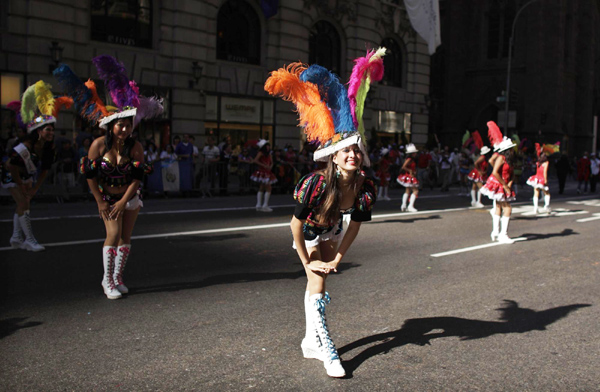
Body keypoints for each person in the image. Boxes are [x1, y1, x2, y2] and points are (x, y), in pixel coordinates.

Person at [265, 47, 384, 378]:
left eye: (356, 150)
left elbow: (355, 226)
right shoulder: (316, 185)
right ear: (333, 156)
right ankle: (327, 351)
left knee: (320, 285)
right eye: (345, 151)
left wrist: (337, 259)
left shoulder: (364, 188)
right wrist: (308, 260)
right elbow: (294, 224)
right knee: (316, 282)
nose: (352, 155)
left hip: (332, 230)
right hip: (308, 232)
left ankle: (308, 341)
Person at [60, 55, 163, 299]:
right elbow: (90, 175)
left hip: (128, 197)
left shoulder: (135, 147)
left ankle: (118, 277)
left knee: (126, 237)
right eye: (120, 125)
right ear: (111, 125)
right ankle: (107, 280)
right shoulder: (97, 145)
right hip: (107, 198)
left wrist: (123, 201)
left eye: (128, 125)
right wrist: (101, 201)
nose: (125, 129)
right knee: (113, 234)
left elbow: (137, 178)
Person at [2, 82, 68, 251]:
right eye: (47, 130)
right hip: (10, 174)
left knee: (24, 204)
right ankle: (29, 240)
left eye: (52, 130)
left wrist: (34, 188)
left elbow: (45, 170)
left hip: (25, 176)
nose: (51, 133)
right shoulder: (25, 146)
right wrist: (20, 185)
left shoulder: (48, 148)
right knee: (23, 203)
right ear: (38, 131)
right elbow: (11, 166)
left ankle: (16, 237)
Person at [480, 121, 517, 244]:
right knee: (507, 208)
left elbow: (512, 174)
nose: (513, 150)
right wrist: (505, 186)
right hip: (499, 184)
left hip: (505, 185)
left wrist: (509, 185)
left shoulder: (510, 160)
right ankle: (503, 234)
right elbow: (495, 172)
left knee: (498, 207)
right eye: (511, 149)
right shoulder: (501, 158)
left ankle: (495, 232)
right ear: (508, 150)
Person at [250, 139, 277, 211]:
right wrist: (263, 165)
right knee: (268, 188)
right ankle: (264, 205)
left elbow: (271, 162)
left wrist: (270, 166)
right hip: (262, 171)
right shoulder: (261, 153)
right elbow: (255, 160)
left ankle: (259, 205)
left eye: (268, 146)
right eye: (267, 146)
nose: (268, 147)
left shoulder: (269, 154)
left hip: (267, 171)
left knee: (262, 187)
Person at [526, 143, 551, 213]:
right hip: (542, 178)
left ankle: (535, 208)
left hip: (536, 178)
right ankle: (547, 206)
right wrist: (546, 180)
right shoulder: (546, 162)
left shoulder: (538, 162)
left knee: (536, 193)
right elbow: (545, 172)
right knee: (547, 193)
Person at [397, 143, 419, 211]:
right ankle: (410, 206)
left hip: (408, 176)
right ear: (412, 153)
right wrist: (410, 171)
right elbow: (403, 167)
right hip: (409, 176)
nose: (416, 154)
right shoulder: (409, 159)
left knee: (407, 190)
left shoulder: (410, 159)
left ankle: (403, 205)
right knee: (415, 191)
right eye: (415, 153)